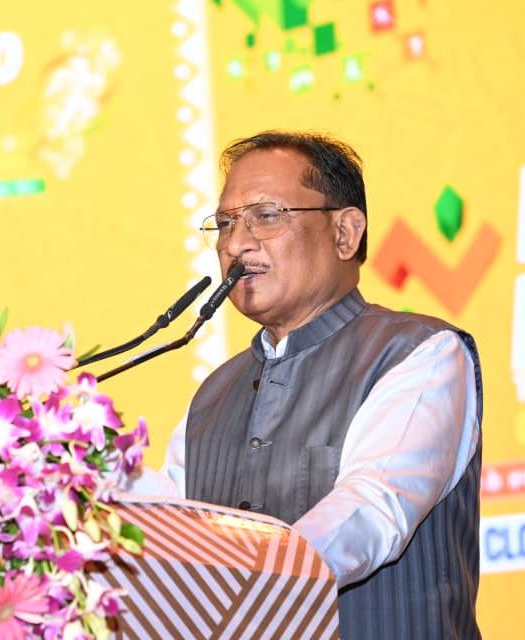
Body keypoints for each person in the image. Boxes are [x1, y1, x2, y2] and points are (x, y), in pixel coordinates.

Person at [148, 131, 481, 639]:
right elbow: (165, 528)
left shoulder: (420, 355)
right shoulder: (212, 394)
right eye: (226, 223)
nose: (235, 244)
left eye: (266, 216)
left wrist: (241, 580)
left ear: (346, 233)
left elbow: (371, 512)